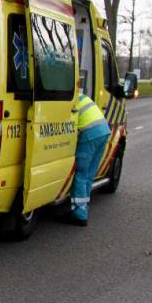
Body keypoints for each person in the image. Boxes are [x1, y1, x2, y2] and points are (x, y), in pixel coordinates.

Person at [66, 92, 111, 227]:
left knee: (81, 174)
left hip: (89, 133)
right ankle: (82, 206)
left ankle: (79, 215)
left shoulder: (69, 99)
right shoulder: (81, 96)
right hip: (103, 131)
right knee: (89, 175)